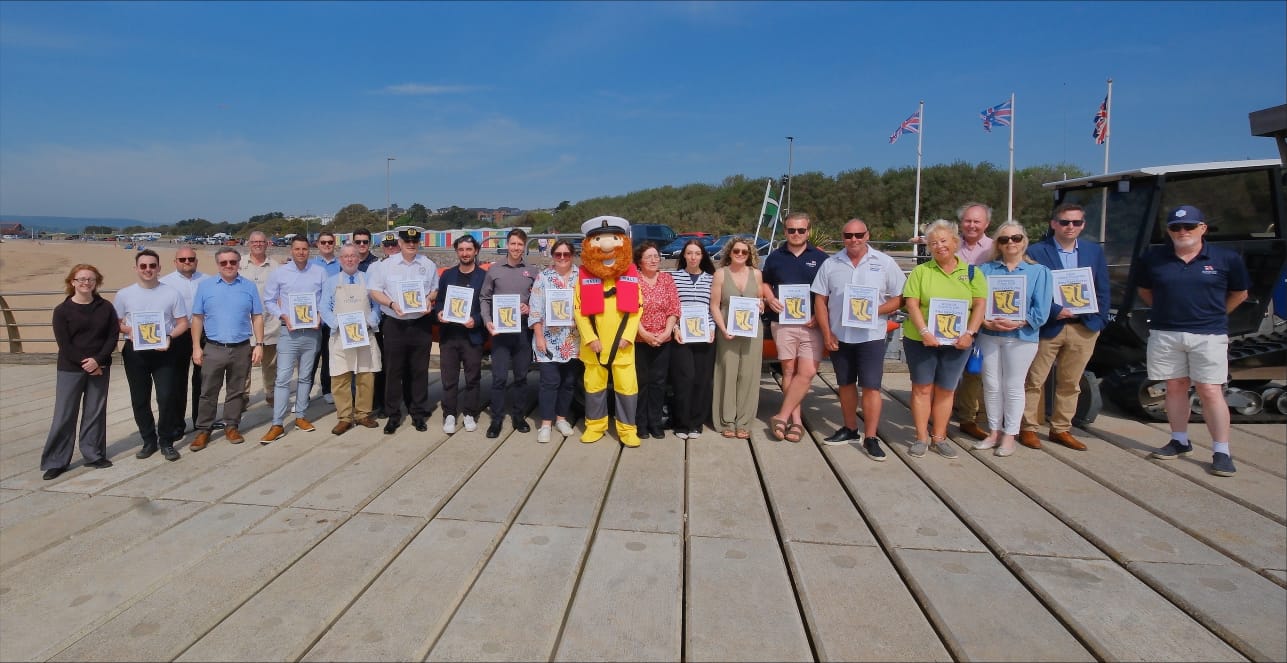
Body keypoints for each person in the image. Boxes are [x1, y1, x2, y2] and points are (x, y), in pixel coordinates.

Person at [1138, 205, 1249, 477]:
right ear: (1168, 230)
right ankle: (1179, 440)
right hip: (1166, 333)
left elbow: (1240, 293)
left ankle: (1221, 450)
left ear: (1203, 228)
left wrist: (1215, 314)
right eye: (1176, 227)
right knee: (1174, 386)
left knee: (1210, 390)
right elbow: (1144, 291)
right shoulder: (1154, 258)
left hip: (1209, 334)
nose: (1182, 232)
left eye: (1189, 226)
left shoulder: (1226, 258)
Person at [806, 219, 905, 459]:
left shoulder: (884, 262)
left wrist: (875, 310)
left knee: (871, 387)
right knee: (846, 385)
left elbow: (900, 297)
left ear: (867, 234)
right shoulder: (831, 263)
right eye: (848, 235)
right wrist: (827, 333)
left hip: (871, 336)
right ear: (842, 237)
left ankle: (870, 436)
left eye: (858, 234)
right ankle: (850, 428)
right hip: (840, 336)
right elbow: (820, 300)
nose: (854, 239)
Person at [1021, 203, 1111, 450]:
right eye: (1064, 222)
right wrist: (1054, 310)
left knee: (1070, 383)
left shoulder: (1093, 252)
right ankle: (1028, 428)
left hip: (1084, 327)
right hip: (1049, 325)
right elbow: (1029, 290)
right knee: (1034, 380)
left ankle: (1061, 429)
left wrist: (1099, 320)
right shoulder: (1037, 251)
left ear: (1082, 224)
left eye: (1076, 222)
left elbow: (1102, 288)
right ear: (1054, 224)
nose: (1070, 227)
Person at [901, 219, 987, 459]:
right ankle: (921, 437)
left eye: (943, 241)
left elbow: (980, 305)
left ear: (955, 242)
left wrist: (969, 333)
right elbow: (912, 304)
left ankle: (939, 436)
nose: (939, 246)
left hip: (958, 342)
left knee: (946, 390)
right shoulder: (921, 271)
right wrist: (925, 333)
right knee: (922, 388)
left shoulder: (972, 272)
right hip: (920, 340)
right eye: (933, 243)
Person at [972, 222, 1051, 457]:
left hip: (1021, 336)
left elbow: (1042, 309)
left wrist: (1021, 321)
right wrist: (985, 322)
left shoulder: (1038, 272)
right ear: (998, 244)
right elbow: (976, 302)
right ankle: (994, 431)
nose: (1011, 243)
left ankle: (1010, 435)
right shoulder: (985, 270)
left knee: (1014, 386)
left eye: (1016, 238)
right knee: (992, 385)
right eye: (1004, 239)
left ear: (1024, 240)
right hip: (989, 334)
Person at [40, 264, 119, 480]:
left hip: (99, 367)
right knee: (64, 415)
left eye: (91, 279)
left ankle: (93, 454)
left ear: (97, 282)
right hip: (70, 368)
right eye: (81, 279)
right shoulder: (62, 310)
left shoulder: (106, 308)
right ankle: (56, 460)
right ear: (72, 282)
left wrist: (98, 361)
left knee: (94, 412)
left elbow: (112, 336)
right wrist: (86, 363)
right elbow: (64, 343)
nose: (86, 283)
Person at [761, 212, 831, 444]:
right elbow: (764, 282)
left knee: (808, 372)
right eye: (791, 230)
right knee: (789, 371)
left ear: (808, 231)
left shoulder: (822, 259)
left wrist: (820, 315)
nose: (796, 234)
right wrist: (770, 299)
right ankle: (795, 420)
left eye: (801, 230)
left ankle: (781, 416)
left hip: (812, 324)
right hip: (783, 322)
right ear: (785, 231)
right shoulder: (774, 257)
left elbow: (832, 291)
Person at [575, 215, 644, 447]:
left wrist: (628, 336)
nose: (606, 245)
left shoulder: (630, 275)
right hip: (594, 348)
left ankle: (627, 430)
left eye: (613, 239)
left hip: (623, 347)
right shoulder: (583, 277)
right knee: (594, 388)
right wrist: (590, 338)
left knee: (627, 389)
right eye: (598, 240)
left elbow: (638, 308)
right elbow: (578, 310)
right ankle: (595, 426)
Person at [114, 250, 188, 462]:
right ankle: (148, 440)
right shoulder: (124, 294)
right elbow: (117, 323)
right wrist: (131, 331)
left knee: (166, 397)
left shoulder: (171, 293)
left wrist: (169, 337)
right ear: (136, 268)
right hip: (135, 352)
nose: (148, 270)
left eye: (152, 266)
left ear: (159, 268)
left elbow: (182, 322)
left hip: (164, 351)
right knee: (139, 399)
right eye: (144, 266)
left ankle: (166, 441)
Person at [189, 248, 265, 451]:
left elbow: (257, 316)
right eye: (224, 263)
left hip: (241, 348)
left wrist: (259, 344)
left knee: (236, 391)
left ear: (239, 263)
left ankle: (232, 426)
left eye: (233, 262)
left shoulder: (249, 287)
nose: (229, 265)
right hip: (213, 347)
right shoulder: (205, 287)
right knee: (208, 391)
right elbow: (197, 318)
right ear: (218, 265)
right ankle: (203, 429)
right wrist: (196, 347)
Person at [368, 227, 438, 434]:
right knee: (393, 371)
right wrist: (390, 304)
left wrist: (429, 298)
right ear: (399, 243)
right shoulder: (385, 266)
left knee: (419, 371)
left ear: (418, 243)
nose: (411, 244)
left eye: (415, 241)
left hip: (420, 324)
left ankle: (418, 413)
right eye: (407, 241)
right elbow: (374, 291)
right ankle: (393, 415)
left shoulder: (428, 265)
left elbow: (435, 289)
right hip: (395, 323)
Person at [260, 236, 328, 442]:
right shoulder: (280, 273)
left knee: (306, 376)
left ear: (310, 250)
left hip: (312, 332)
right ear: (291, 250)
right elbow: (269, 300)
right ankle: (277, 423)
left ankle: (300, 416)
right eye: (297, 249)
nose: (301, 252)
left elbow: (326, 300)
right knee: (282, 379)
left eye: (304, 249)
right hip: (288, 332)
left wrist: (320, 317)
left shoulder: (320, 272)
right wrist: (283, 315)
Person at [480, 228, 538, 438]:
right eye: (513, 244)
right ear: (507, 245)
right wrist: (487, 321)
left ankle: (519, 416)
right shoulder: (494, 270)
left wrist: (530, 308)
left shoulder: (532, 272)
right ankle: (496, 419)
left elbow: (539, 300)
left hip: (522, 330)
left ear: (524, 247)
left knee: (522, 376)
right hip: (501, 332)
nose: (516, 248)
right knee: (499, 378)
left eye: (520, 245)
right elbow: (484, 298)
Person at [321, 244, 382, 435]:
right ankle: (345, 417)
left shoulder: (368, 280)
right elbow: (324, 308)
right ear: (340, 259)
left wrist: (370, 322)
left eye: (353, 256)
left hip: (364, 334)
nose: (349, 259)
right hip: (340, 336)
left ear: (358, 259)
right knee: (340, 377)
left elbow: (377, 306)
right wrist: (337, 324)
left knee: (366, 376)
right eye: (345, 256)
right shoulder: (331, 282)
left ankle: (363, 414)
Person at [710, 237, 765, 439]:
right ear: (729, 253)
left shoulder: (756, 274)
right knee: (727, 373)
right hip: (728, 330)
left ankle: (744, 421)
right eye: (736, 251)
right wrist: (723, 329)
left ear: (750, 254)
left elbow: (760, 300)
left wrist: (761, 305)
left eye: (744, 252)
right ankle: (726, 421)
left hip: (752, 331)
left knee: (748, 375)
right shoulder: (720, 274)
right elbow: (714, 305)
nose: (740, 254)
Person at [950, 202, 995, 441]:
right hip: (952, 317)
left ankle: (969, 417)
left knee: (975, 370)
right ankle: (942, 411)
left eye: (977, 221)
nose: (972, 225)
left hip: (984, 317)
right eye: (968, 220)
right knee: (947, 366)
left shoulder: (994, 248)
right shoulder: (951, 245)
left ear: (986, 224)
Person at [434, 235, 487, 435]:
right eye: (461, 249)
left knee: (473, 377)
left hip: (472, 335)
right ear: (457, 252)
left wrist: (477, 320)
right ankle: (449, 413)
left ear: (475, 251)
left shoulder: (483, 276)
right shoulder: (447, 275)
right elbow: (439, 301)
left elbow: (487, 305)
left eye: (468, 249)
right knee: (449, 377)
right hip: (449, 335)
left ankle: (470, 413)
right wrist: (439, 313)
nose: (465, 253)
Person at [529, 239, 581, 442]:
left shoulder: (581, 277)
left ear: (572, 255)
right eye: (558, 254)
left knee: (568, 383)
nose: (562, 258)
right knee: (549, 382)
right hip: (548, 339)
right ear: (552, 256)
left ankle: (561, 418)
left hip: (573, 339)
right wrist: (539, 337)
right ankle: (546, 423)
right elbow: (535, 309)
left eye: (566, 254)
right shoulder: (543, 277)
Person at [669, 239, 716, 439]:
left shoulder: (712, 279)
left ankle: (696, 423)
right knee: (683, 379)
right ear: (684, 256)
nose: (693, 257)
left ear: (702, 256)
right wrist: (675, 329)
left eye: (697, 253)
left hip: (706, 336)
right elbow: (671, 307)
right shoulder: (673, 278)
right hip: (681, 336)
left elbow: (713, 307)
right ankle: (682, 422)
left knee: (702, 380)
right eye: (689, 253)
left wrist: (713, 328)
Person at [633, 242, 680, 439]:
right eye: (649, 257)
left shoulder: (667, 279)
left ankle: (655, 422)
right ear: (639, 261)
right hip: (639, 339)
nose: (654, 260)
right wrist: (643, 333)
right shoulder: (633, 280)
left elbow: (674, 308)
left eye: (656, 256)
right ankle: (641, 423)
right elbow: (629, 310)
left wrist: (667, 331)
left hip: (663, 339)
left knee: (659, 382)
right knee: (642, 382)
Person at [160, 246, 209, 435]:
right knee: (177, 381)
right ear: (175, 262)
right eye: (182, 259)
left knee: (203, 380)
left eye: (191, 259)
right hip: (178, 335)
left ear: (196, 261)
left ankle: (201, 420)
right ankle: (177, 424)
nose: (187, 262)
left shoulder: (207, 280)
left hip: (204, 334)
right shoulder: (165, 283)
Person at [238, 231, 281, 411]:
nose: (258, 244)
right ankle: (242, 397)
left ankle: (270, 393)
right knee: (242, 366)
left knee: (270, 363)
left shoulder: (275, 266)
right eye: (254, 241)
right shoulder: (239, 263)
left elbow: (281, 292)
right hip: (243, 324)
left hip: (270, 322)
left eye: (261, 241)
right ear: (249, 243)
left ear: (267, 244)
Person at [309, 231, 341, 405]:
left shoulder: (341, 265)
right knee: (310, 358)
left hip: (332, 319)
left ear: (334, 244)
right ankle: (304, 391)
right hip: (313, 320)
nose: (327, 245)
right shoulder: (309, 265)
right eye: (323, 242)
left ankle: (327, 389)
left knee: (329, 357)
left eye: (330, 242)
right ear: (318, 244)